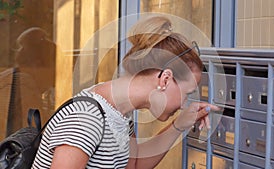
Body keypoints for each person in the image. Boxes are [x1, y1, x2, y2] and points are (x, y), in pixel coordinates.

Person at [31, 16, 219, 169]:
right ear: (165, 79)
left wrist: (180, 124)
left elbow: (134, 165)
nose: (183, 104)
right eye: (187, 93)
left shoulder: (118, 113)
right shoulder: (87, 119)